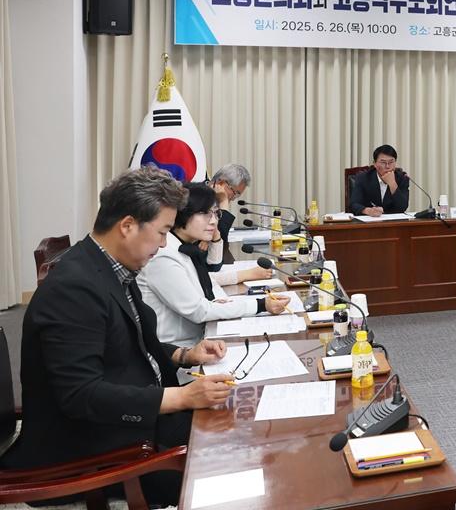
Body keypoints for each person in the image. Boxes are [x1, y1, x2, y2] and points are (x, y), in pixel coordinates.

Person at [1, 167, 233, 506]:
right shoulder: (74, 288)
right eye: (162, 231)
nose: (165, 243)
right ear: (127, 226)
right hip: (93, 444)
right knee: (228, 467)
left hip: (137, 416)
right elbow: (81, 395)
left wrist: (186, 355)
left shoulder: (113, 267)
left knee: (233, 426)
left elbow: (132, 342)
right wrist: (181, 399)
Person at [139, 182, 288, 347]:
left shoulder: (187, 247)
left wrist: (229, 304)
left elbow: (210, 284)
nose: (213, 221)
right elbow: (199, 311)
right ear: (182, 213)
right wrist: (261, 304)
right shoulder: (164, 254)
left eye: (216, 214)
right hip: (177, 352)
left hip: (201, 339)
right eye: (204, 213)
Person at [208, 163, 251, 270]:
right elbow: (220, 239)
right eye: (235, 193)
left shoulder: (214, 198)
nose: (234, 198)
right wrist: (223, 202)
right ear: (221, 183)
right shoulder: (201, 199)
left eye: (238, 195)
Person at [349, 144, 410, 215]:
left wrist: (392, 184)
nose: (387, 166)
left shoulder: (402, 178)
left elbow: (403, 207)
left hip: (394, 223)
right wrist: (368, 211)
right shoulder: (363, 178)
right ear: (374, 164)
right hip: (369, 222)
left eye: (391, 162)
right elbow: (354, 204)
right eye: (383, 162)